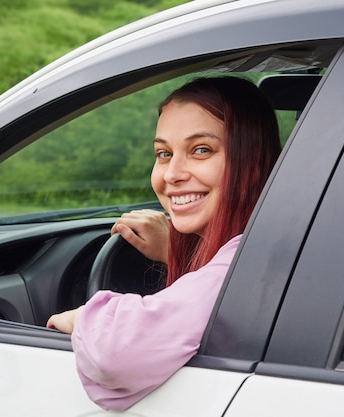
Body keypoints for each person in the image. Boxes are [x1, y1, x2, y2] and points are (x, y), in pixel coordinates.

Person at [47, 76, 281, 410]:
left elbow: (117, 353)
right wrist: (174, 250)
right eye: (163, 153)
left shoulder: (250, 264)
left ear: (252, 161)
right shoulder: (280, 244)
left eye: (201, 150)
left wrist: (81, 317)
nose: (172, 174)